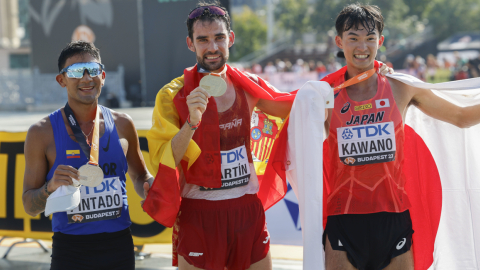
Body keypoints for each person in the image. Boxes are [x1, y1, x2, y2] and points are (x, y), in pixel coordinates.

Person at [314, 4, 480, 270]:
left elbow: (461, 117)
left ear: (380, 41)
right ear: (339, 41)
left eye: (369, 39)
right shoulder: (323, 96)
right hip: (343, 221)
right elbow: (283, 120)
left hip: (394, 221)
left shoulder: (400, 87)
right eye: (353, 38)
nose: (362, 47)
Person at [142, 2, 296, 270]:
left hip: (246, 208)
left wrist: (357, 79)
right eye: (203, 40)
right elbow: (163, 161)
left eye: (219, 38)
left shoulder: (249, 85)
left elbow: (295, 106)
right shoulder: (172, 95)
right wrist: (191, 122)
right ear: (191, 44)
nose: (212, 47)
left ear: (231, 39)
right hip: (200, 211)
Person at [22, 41, 154, 269]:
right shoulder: (41, 133)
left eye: (92, 70)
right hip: (71, 251)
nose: (86, 78)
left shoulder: (123, 124)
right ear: (61, 80)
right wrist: (49, 188)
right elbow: (29, 206)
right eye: (75, 71)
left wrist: (154, 188)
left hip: (119, 246)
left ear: (102, 76)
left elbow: (140, 176)